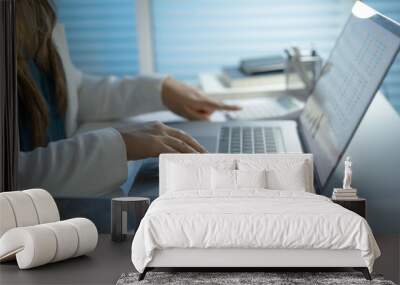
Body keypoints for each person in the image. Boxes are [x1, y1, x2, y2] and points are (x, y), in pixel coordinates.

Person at [16, 0, 239, 197]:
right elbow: (16, 177)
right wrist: (120, 144)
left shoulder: (36, 9)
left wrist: (160, 91)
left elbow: (71, 95)